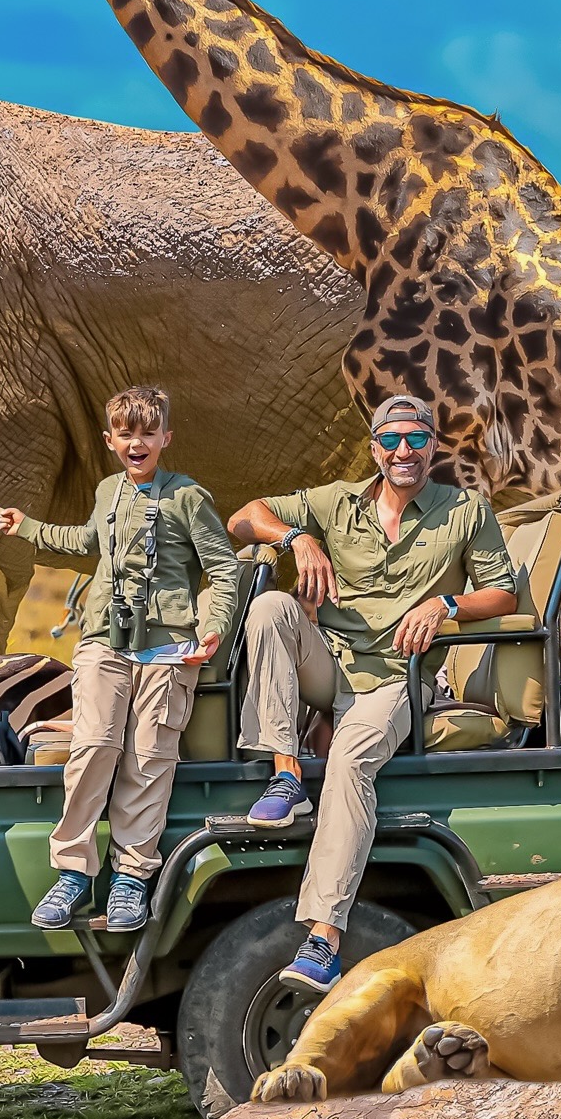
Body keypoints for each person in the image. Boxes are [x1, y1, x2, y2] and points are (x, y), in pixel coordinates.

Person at [225, 395, 518, 994]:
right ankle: (285, 775)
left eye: (416, 440)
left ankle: (322, 938)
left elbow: (504, 595)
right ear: (375, 448)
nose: (403, 451)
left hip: (399, 676)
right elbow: (241, 518)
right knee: (272, 607)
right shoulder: (335, 501)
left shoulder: (465, 509)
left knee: (352, 756)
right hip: (330, 663)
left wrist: (446, 604)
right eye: (391, 440)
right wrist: (295, 541)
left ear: (434, 446)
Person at [0, 385, 240, 936]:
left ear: (166, 439)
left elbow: (223, 569)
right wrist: (28, 526)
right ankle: (74, 871)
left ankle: (132, 875)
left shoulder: (189, 498)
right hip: (104, 636)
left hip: (170, 644)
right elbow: (86, 539)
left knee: (150, 757)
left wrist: (213, 626)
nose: (137, 443)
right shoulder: (107, 491)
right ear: (110, 441)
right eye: (126, 434)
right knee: (94, 746)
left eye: (148, 434)